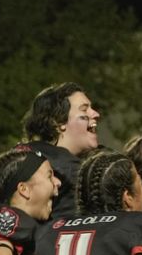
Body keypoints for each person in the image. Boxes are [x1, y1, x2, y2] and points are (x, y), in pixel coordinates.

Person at [21, 82, 102, 220]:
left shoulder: (22, 155)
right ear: (58, 122)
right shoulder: (70, 170)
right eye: (84, 110)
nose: (96, 114)